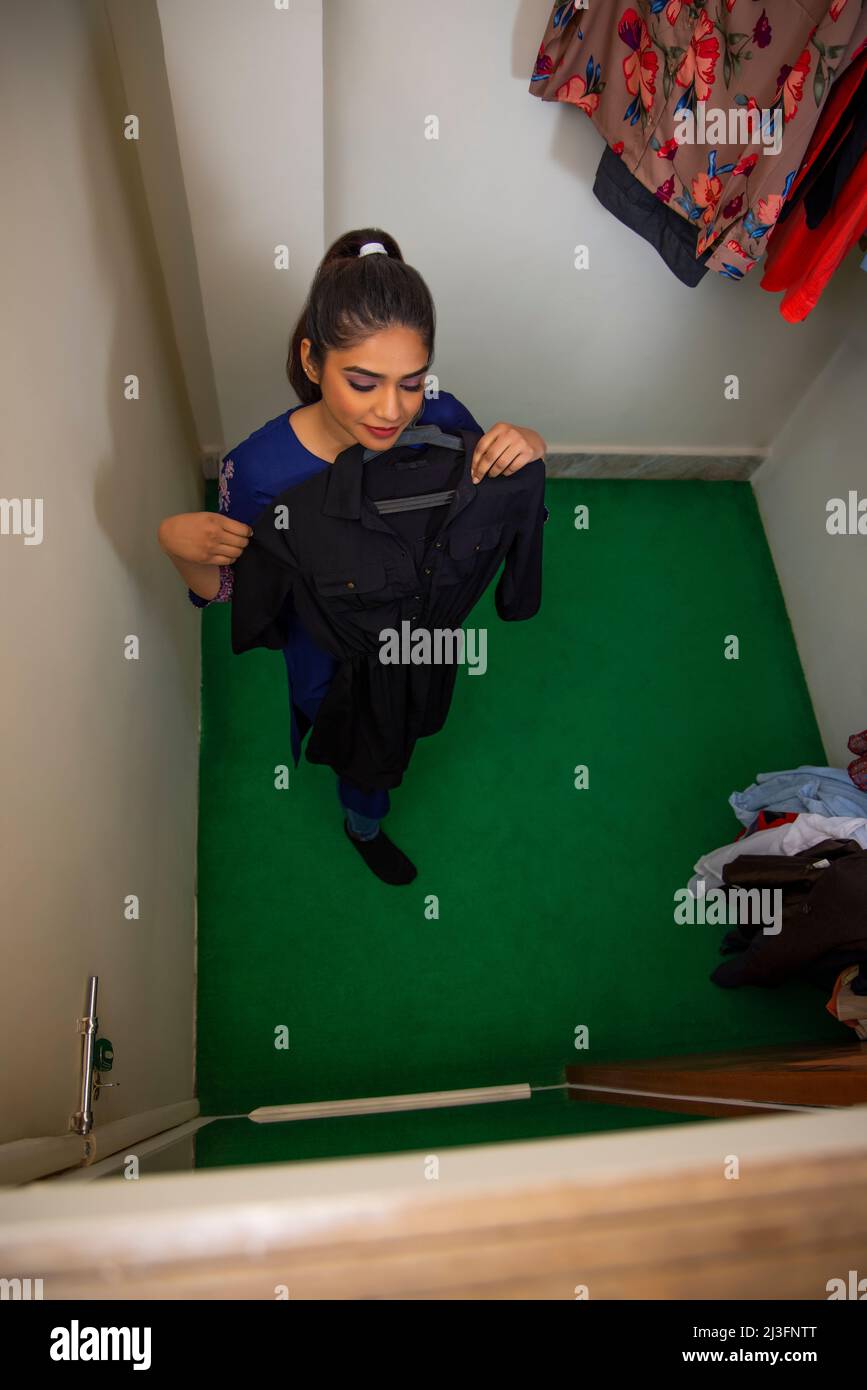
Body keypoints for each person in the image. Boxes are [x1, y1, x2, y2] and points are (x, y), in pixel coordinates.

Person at [157, 228, 547, 884]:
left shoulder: (445, 417)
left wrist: (530, 443)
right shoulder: (258, 471)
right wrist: (180, 549)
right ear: (312, 361)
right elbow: (222, 591)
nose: (390, 411)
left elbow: (482, 486)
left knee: (411, 719)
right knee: (360, 755)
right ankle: (362, 823)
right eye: (362, 383)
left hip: (426, 629)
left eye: (411, 382)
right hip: (329, 657)